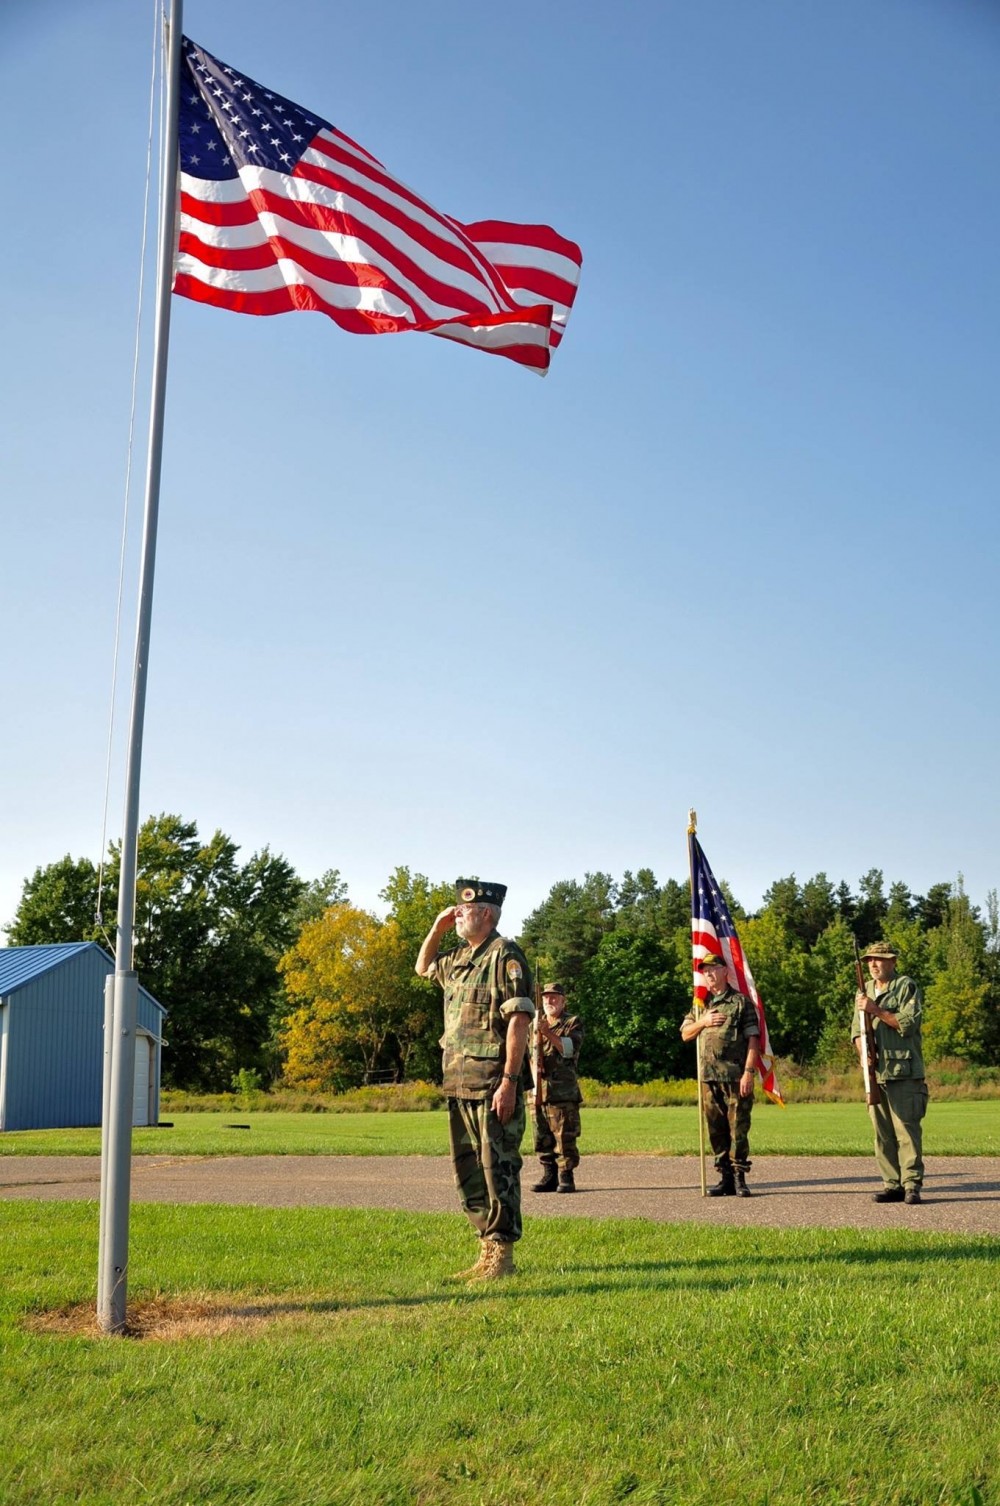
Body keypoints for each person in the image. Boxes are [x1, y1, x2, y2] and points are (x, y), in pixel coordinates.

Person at [415, 879, 534, 1279]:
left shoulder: (505, 955)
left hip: (492, 1082)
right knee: (468, 1170)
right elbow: (421, 967)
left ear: (486, 913)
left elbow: (519, 1019)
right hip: (459, 1079)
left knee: (497, 1168)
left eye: (464, 910)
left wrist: (510, 1080)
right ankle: (486, 1250)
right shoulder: (459, 960)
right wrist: (436, 929)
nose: (457, 914)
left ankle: (502, 1257)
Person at [852, 941, 927, 1205]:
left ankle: (911, 1185)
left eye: (879, 959)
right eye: (869, 960)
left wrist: (876, 1010)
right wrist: (864, 1054)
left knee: (906, 1131)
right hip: (876, 1073)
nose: (873, 964)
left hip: (903, 1071)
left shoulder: (906, 986)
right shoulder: (864, 991)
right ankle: (892, 1184)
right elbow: (856, 1031)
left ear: (893, 962)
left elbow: (907, 1023)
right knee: (881, 1133)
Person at [680, 953, 760, 1197]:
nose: (709, 973)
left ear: (726, 971)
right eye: (705, 970)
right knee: (716, 1129)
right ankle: (724, 1177)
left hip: (735, 1077)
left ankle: (739, 1177)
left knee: (738, 1130)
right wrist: (703, 1021)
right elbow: (685, 1034)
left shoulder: (740, 1002)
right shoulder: (699, 1005)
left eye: (714, 968)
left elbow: (754, 1039)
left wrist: (748, 1072)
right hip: (708, 1078)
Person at [530, 982, 584, 1194]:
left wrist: (547, 1033)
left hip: (562, 1091)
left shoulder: (572, 1022)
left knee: (564, 1136)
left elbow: (568, 1049)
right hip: (538, 1090)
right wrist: (534, 1065)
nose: (549, 1002)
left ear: (563, 1000)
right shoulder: (533, 1025)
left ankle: (566, 1176)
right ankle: (548, 1174)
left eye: (554, 998)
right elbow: (527, 1053)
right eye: (546, 998)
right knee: (541, 1135)